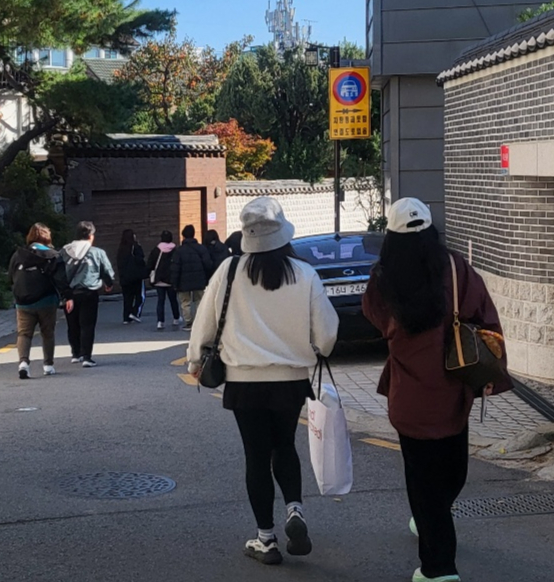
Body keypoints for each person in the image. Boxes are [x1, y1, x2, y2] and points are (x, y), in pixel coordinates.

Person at [361, 198, 512, 582]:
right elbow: (485, 317)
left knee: (422, 477)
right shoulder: (456, 268)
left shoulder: (383, 278)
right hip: (452, 388)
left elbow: (375, 317)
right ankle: (438, 566)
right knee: (452, 471)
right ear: (431, 230)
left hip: (408, 394)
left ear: (391, 237)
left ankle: (433, 542)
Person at [187, 197, 338, 566]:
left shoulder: (229, 269)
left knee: (256, 456)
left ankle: (265, 539)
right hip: (290, 381)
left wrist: (195, 360)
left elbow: (205, 321)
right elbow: (328, 335)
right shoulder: (304, 274)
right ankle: (295, 510)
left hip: (243, 381)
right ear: (284, 234)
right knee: (284, 446)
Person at [58, 221, 115, 368]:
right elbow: (107, 271)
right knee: (87, 325)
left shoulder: (64, 251)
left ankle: (75, 353)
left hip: (69, 293)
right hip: (89, 292)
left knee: (72, 324)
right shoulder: (97, 252)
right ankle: (87, 357)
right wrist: (109, 284)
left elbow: (58, 273)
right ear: (90, 236)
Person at [8, 223, 59, 379]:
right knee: (47, 333)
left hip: (23, 302)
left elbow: (10, 277)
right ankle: (48, 365)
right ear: (46, 237)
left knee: (24, 334)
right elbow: (59, 278)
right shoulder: (51, 254)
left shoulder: (18, 255)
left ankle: (23, 363)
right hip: (46, 301)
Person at [171, 224, 212, 333]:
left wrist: (174, 283)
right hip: (199, 279)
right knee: (199, 300)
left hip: (183, 282)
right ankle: (199, 321)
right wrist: (208, 278)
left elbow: (175, 268)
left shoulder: (179, 251)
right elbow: (208, 264)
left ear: (183, 236)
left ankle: (188, 322)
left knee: (185, 302)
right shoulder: (201, 248)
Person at [146, 230, 181, 331]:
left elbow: (150, 264)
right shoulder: (175, 250)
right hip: (170, 279)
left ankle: (160, 322)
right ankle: (176, 318)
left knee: (160, 301)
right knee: (173, 300)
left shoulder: (156, 250)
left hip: (159, 280)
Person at [117, 229, 146, 325]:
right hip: (135, 276)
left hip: (124, 277)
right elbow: (140, 259)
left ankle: (126, 317)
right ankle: (135, 313)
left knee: (127, 298)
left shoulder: (121, 249)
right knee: (140, 296)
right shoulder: (136, 247)